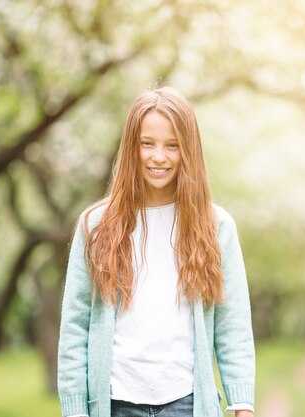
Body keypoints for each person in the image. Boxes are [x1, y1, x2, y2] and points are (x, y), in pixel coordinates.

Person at [57, 86, 255, 417]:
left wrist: (242, 403)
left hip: (187, 403)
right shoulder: (95, 225)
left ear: (188, 151)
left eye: (172, 146)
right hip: (116, 404)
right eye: (147, 144)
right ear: (131, 148)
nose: (158, 156)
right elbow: (75, 326)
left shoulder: (216, 226)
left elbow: (233, 325)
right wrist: (76, 408)